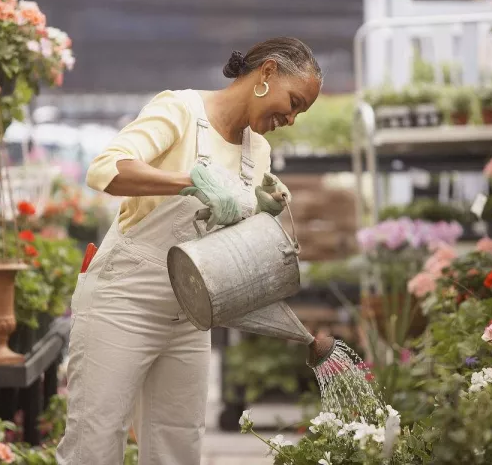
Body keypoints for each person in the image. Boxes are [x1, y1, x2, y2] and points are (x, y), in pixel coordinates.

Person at [56, 37, 322, 465]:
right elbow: (106, 169)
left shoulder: (259, 152)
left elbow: (233, 246)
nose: (290, 118)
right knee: (95, 442)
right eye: (292, 102)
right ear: (267, 72)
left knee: (177, 447)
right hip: (123, 299)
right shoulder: (181, 110)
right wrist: (190, 181)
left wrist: (262, 214)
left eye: (299, 112)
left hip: (192, 313)